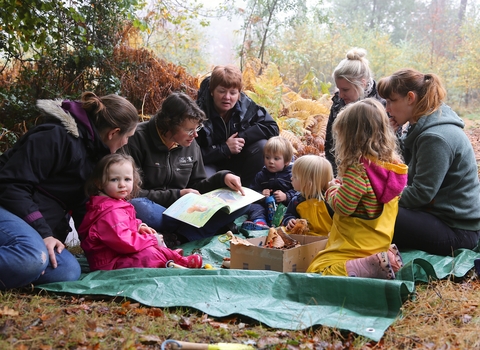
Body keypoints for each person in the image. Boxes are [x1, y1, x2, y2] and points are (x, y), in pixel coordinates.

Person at [0, 92, 139, 290]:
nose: (126, 143)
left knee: (67, 271)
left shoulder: (95, 154)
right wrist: (43, 233)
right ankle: (25, 259)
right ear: (113, 133)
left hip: (30, 225)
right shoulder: (54, 137)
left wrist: (123, 241)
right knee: (32, 258)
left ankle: (22, 262)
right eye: (128, 136)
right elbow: (11, 184)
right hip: (7, 208)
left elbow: (86, 209)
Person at [123, 92, 249, 245]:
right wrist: (177, 195)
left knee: (243, 200)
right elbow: (130, 193)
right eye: (190, 130)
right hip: (156, 210)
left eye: (198, 128)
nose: (195, 135)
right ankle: (197, 231)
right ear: (169, 125)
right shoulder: (136, 139)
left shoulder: (190, 143)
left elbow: (198, 185)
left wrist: (222, 177)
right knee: (138, 207)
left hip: (187, 211)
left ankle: (180, 236)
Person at [377, 69, 480, 256]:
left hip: (457, 231)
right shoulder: (422, 126)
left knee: (376, 212)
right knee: (377, 209)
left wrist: (378, 197)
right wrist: (390, 139)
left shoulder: (435, 137)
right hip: (436, 216)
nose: (387, 108)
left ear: (410, 98)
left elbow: (420, 194)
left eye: (391, 101)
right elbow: (405, 171)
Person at [307, 98, 408, 279]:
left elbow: (343, 207)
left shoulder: (358, 170)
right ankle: (383, 258)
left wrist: (332, 188)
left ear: (351, 138)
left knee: (318, 270)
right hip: (379, 241)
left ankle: (367, 266)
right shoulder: (393, 167)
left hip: (355, 246)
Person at [78, 154, 202, 270]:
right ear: (99, 183)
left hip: (119, 254)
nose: (122, 184)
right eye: (114, 180)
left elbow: (127, 221)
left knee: (149, 246)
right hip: (110, 262)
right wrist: (152, 239)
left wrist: (139, 226)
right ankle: (178, 261)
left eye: (127, 179)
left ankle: (172, 256)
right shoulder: (109, 213)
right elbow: (124, 242)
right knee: (149, 253)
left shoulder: (114, 202)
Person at [196, 64, 280, 187]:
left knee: (262, 146)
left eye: (233, 93)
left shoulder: (246, 106)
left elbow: (272, 127)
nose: (227, 97)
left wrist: (242, 137)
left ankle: (247, 193)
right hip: (208, 163)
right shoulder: (197, 111)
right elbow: (189, 155)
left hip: (238, 161)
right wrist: (224, 148)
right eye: (222, 91)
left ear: (239, 93)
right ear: (212, 91)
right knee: (209, 181)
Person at [324, 48, 389, 175]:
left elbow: (390, 149)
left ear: (362, 83)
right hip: (343, 174)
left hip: (375, 176)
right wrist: (338, 176)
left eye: (345, 89)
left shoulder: (384, 106)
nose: (341, 95)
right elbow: (330, 143)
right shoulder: (338, 102)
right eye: (339, 89)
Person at [241, 136, 296, 230]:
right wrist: (261, 195)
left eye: (276, 158)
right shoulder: (261, 175)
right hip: (265, 207)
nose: (271, 161)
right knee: (254, 207)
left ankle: (284, 223)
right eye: (267, 157)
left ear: (286, 161)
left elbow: (298, 192)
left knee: (292, 209)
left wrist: (286, 196)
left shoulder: (292, 175)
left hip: (283, 207)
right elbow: (252, 192)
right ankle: (260, 222)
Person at [281, 155, 334, 236]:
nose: (291, 178)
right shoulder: (296, 200)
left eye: (295, 176)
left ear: (309, 183)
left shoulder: (328, 200)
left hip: (327, 237)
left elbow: (338, 220)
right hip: (305, 236)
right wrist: (290, 220)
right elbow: (288, 215)